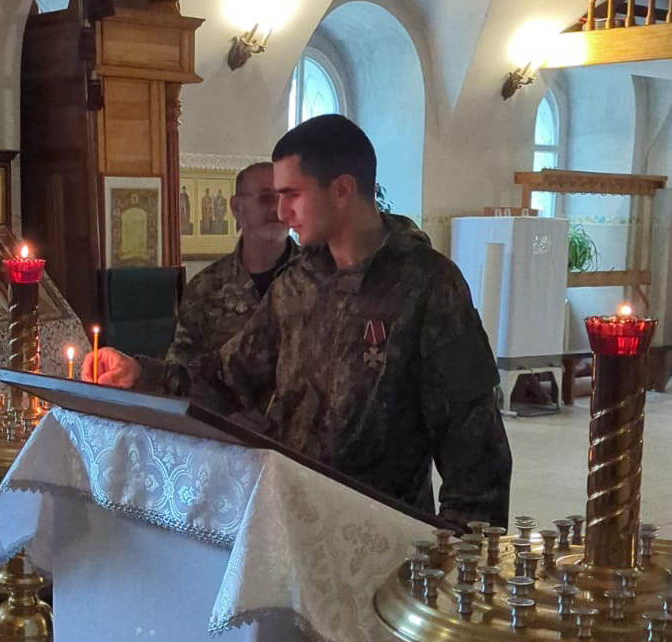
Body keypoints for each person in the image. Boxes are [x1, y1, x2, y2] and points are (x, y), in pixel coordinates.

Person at [84, 115, 512, 530]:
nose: (282, 212)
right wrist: (141, 372)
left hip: (386, 534)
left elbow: (473, 438)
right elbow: (228, 376)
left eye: (292, 194)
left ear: (341, 189)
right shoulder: (296, 285)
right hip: (293, 523)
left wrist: (463, 552)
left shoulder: (428, 284)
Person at [166, 162, 298, 373]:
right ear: (237, 208)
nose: (277, 208)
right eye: (266, 198)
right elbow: (180, 371)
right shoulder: (205, 287)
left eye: (285, 197)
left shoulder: (319, 275)